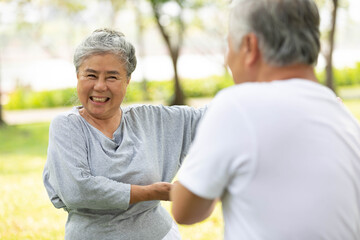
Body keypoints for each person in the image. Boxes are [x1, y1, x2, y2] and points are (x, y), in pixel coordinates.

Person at [171, 0, 360, 239]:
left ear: (250, 46)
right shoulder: (342, 115)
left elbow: (184, 211)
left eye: (230, 45)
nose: (229, 59)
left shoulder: (237, 105)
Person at [42, 28, 206, 240]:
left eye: (112, 77)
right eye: (91, 75)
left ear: (127, 81)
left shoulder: (150, 119)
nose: (100, 86)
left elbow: (214, 118)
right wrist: (152, 192)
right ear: (77, 77)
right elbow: (78, 190)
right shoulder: (66, 126)